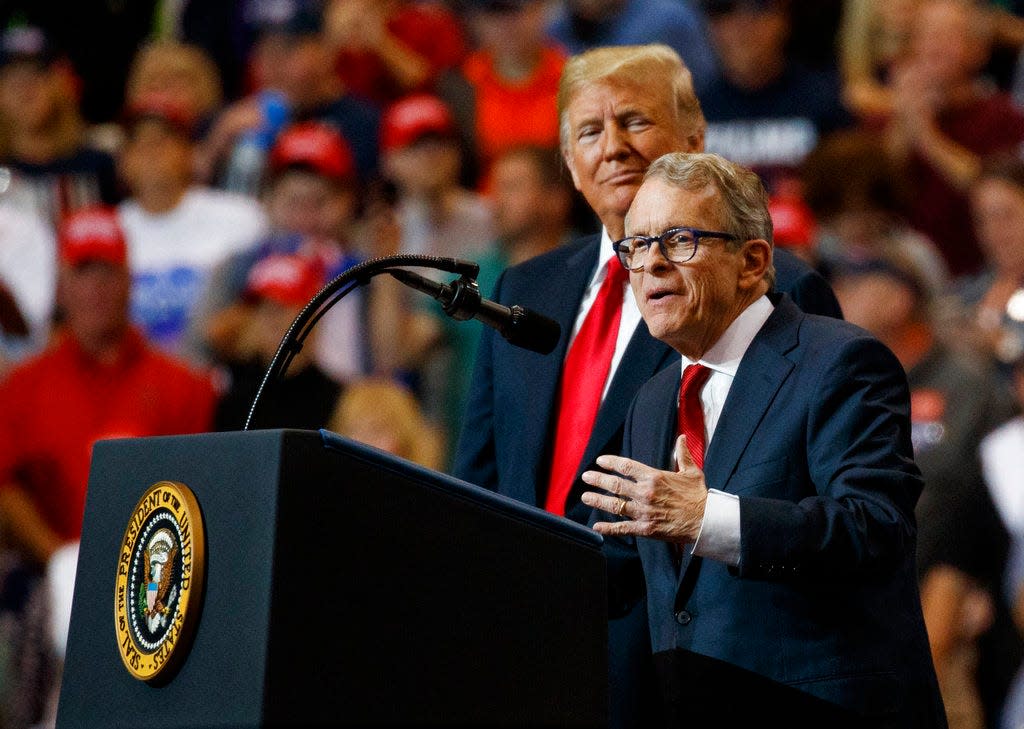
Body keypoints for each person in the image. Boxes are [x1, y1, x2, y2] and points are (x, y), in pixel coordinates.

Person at [452, 43, 841, 729]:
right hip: (528, 663)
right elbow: (480, 479)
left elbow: (785, 499)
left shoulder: (770, 285)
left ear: (695, 141)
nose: (614, 148)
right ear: (569, 164)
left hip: (681, 671)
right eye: (590, 132)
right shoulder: (524, 287)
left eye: (635, 121)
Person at [580, 151, 945, 726]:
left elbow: (875, 528)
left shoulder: (841, 361)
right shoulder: (651, 400)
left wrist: (710, 519)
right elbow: (639, 577)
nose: (649, 264)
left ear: (751, 261)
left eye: (677, 240)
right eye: (635, 245)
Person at [835, 255, 1021, 728]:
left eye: (855, 283)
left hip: (951, 598)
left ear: (900, 298)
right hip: (862, 600)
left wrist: (976, 583)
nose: (839, 293)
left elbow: (991, 496)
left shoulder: (966, 384)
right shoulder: (848, 383)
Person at [0, 206, 215, 567]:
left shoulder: (186, 386)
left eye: (108, 270)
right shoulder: (21, 389)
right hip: (50, 576)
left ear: (130, 279)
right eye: (83, 271)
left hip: (159, 575)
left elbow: (202, 494)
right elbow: (6, 487)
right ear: (62, 286)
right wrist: (61, 561)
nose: (97, 286)